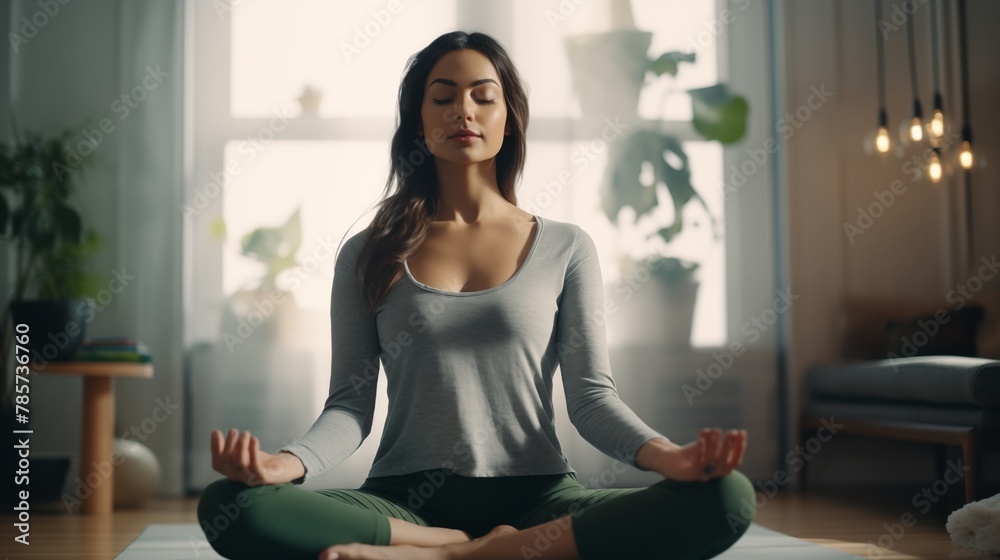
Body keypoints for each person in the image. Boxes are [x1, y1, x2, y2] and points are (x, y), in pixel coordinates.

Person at [197, 31, 755, 560]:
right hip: (404, 501)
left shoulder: (565, 246)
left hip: (540, 498)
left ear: (508, 119)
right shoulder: (369, 253)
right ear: (419, 123)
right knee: (230, 505)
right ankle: (458, 544)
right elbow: (349, 407)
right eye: (442, 98)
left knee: (727, 498)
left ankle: (461, 553)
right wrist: (283, 466)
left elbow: (591, 401)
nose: (463, 111)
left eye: (482, 97)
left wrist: (671, 458)